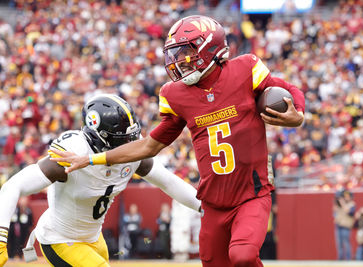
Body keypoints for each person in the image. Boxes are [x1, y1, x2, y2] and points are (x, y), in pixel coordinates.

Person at [50, 15, 305, 267]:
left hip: (252, 193)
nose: (178, 61)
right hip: (214, 201)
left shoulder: (245, 69)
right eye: (175, 53)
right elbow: (149, 145)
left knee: (243, 255)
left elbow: (290, 89)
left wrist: (298, 115)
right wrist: (92, 159)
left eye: (185, 52)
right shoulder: (175, 94)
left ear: (210, 48)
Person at [0, 94, 201, 267]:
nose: (130, 144)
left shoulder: (134, 155)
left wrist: (204, 207)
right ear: (100, 138)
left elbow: (168, 182)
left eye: (131, 136)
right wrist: (0, 238)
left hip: (94, 238)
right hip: (60, 239)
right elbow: (12, 186)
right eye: (122, 138)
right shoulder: (71, 154)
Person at [333, 189, 356, 260]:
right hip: (338, 225)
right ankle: (340, 258)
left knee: (346, 242)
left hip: (346, 226)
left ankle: (348, 258)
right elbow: (334, 213)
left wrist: (342, 203)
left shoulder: (352, 204)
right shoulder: (339, 204)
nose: (346, 198)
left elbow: (349, 212)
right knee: (339, 243)